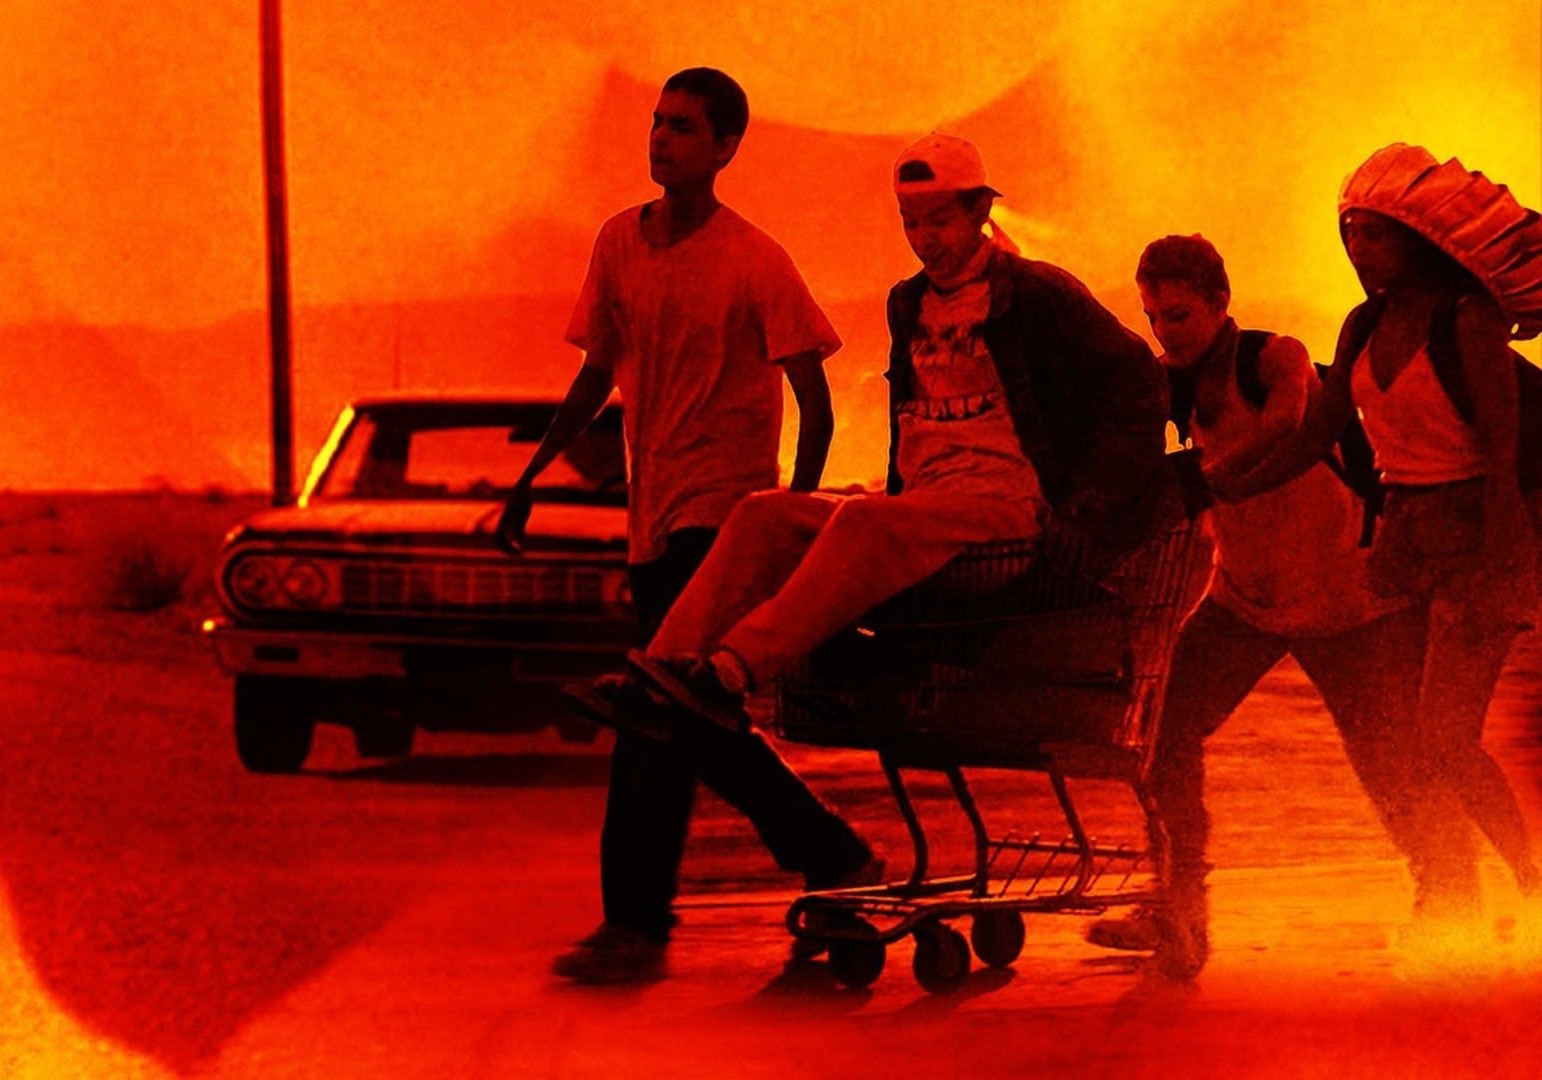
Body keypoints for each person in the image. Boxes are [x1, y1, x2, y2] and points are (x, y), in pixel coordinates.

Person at [496, 67, 878, 985]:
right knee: (682, 716)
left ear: (725, 148)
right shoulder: (618, 243)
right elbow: (597, 374)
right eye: (657, 123)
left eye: (683, 127)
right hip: (652, 512)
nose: (662, 139)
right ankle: (829, 854)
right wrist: (532, 476)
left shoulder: (755, 258)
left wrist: (787, 523)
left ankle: (633, 924)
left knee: (654, 710)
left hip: (723, 517)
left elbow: (815, 399)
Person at [597, 133, 1167, 741]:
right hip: (921, 513)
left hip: (1004, 515)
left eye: (939, 221)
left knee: (864, 520)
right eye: (910, 222)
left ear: (979, 210)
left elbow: (1137, 381)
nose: (924, 239)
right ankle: (658, 671)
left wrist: (1085, 510)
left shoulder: (1036, 293)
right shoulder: (908, 302)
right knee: (763, 514)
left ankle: (732, 671)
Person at [1084, 235, 1476, 980]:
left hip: (1350, 602)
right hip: (1246, 600)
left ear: (1220, 303)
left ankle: (1452, 899)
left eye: (1180, 315)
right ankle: (1180, 907)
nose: (1166, 332)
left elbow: (1289, 422)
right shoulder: (1167, 383)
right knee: (1163, 735)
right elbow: (1119, 452)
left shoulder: (1273, 356)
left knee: (1391, 764)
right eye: (1153, 317)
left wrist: (1206, 479)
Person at [1229, 144, 1542, 923]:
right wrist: (1223, 484)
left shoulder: (1467, 321)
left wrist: (1503, 562)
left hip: (1476, 535)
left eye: (1373, 233)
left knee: (1444, 738)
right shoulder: (1363, 325)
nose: (1357, 247)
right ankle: (1450, 889)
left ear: (1417, 239)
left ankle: (1527, 876)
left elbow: (1503, 457)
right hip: (1404, 542)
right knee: (1405, 734)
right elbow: (1319, 433)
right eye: (1349, 232)